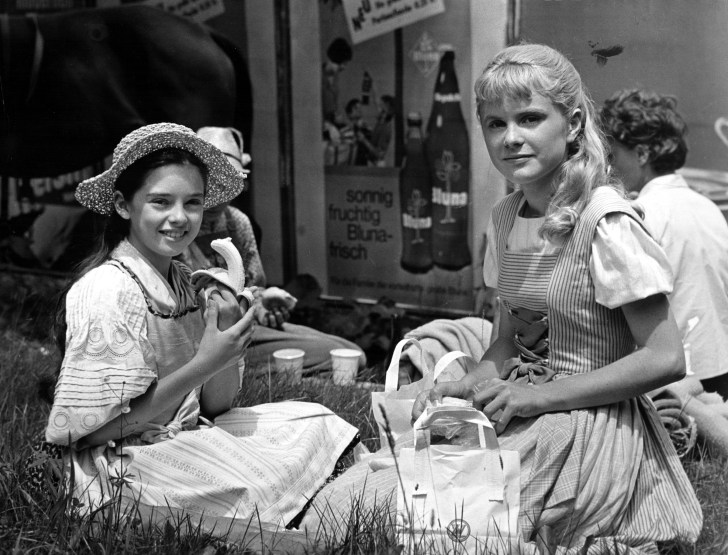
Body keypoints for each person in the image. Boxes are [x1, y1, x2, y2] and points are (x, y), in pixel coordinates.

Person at [299, 44, 702, 552]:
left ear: (573, 123)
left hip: (589, 428)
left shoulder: (607, 222)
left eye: (530, 118)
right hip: (523, 410)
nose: (511, 138)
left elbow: (665, 359)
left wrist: (537, 396)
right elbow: (507, 345)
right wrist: (463, 388)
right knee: (346, 505)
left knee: (428, 524)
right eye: (495, 124)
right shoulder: (506, 217)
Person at [43, 123, 359, 525]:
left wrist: (224, 337)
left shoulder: (182, 280)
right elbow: (91, 433)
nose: (179, 218)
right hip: (119, 462)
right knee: (257, 480)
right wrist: (205, 363)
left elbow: (216, 405)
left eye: (192, 203)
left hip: (180, 432)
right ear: (124, 206)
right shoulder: (106, 289)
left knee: (316, 420)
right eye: (161, 202)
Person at [180, 126, 367, 375]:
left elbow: (253, 289)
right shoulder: (178, 226)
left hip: (243, 326)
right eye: (210, 184)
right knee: (333, 355)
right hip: (202, 338)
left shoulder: (238, 223)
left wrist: (262, 303)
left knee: (350, 351)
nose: (218, 196)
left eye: (228, 185)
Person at [600, 89, 728, 399]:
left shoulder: (642, 214)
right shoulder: (707, 206)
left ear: (642, 154)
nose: (607, 167)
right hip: (721, 373)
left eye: (613, 155)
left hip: (674, 385)